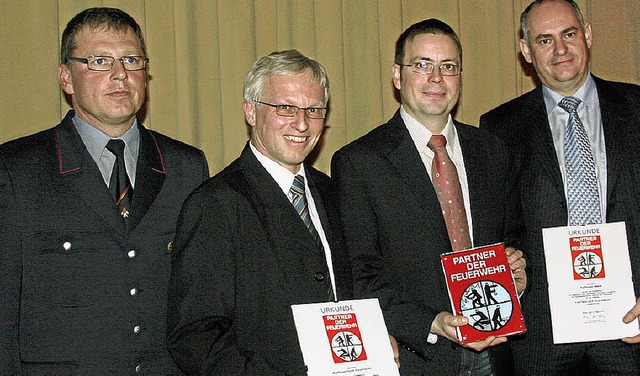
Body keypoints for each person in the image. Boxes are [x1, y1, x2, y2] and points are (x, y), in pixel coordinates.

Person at [0, 7, 208, 374]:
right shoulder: (17, 169)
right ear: (66, 78)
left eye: (131, 60)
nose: (119, 74)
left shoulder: (185, 166)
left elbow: (202, 298)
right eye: (99, 61)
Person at [331, 19, 526, 375]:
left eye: (448, 67)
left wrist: (519, 271)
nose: (436, 78)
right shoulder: (359, 162)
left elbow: (513, 237)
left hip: (497, 352)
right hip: (417, 356)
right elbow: (359, 274)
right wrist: (432, 322)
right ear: (397, 75)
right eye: (422, 65)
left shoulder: (492, 151)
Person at [166, 50, 355, 375]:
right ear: (250, 111)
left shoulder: (329, 191)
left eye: (313, 110)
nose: (301, 123)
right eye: (285, 108)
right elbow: (195, 335)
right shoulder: (215, 203)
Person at [479, 0, 640, 374]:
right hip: (541, 336)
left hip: (630, 322)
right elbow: (498, 229)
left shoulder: (636, 107)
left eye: (568, 34)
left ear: (587, 35)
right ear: (526, 51)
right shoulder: (499, 128)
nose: (561, 50)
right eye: (545, 40)